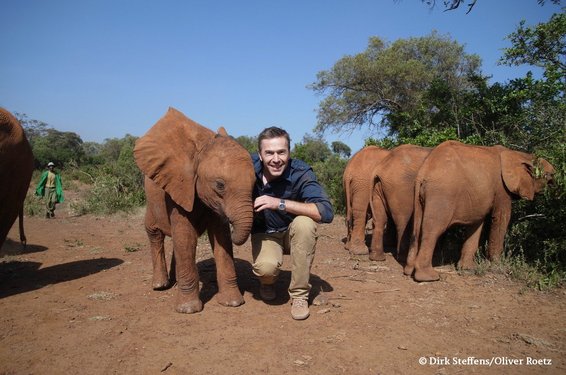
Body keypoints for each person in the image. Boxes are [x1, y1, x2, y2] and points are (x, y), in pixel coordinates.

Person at [251, 127, 334, 320]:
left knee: (305, 223)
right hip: (265, 233)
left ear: (289, 152)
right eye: (269, 153)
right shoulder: (247, 170)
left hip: (292, 233)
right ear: (260, 155)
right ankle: (267, 282)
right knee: (266, 269)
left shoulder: (300, 172)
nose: (276, 159)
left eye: (281, 152)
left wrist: (279, 203)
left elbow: (326, 212)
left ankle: (299, 296)